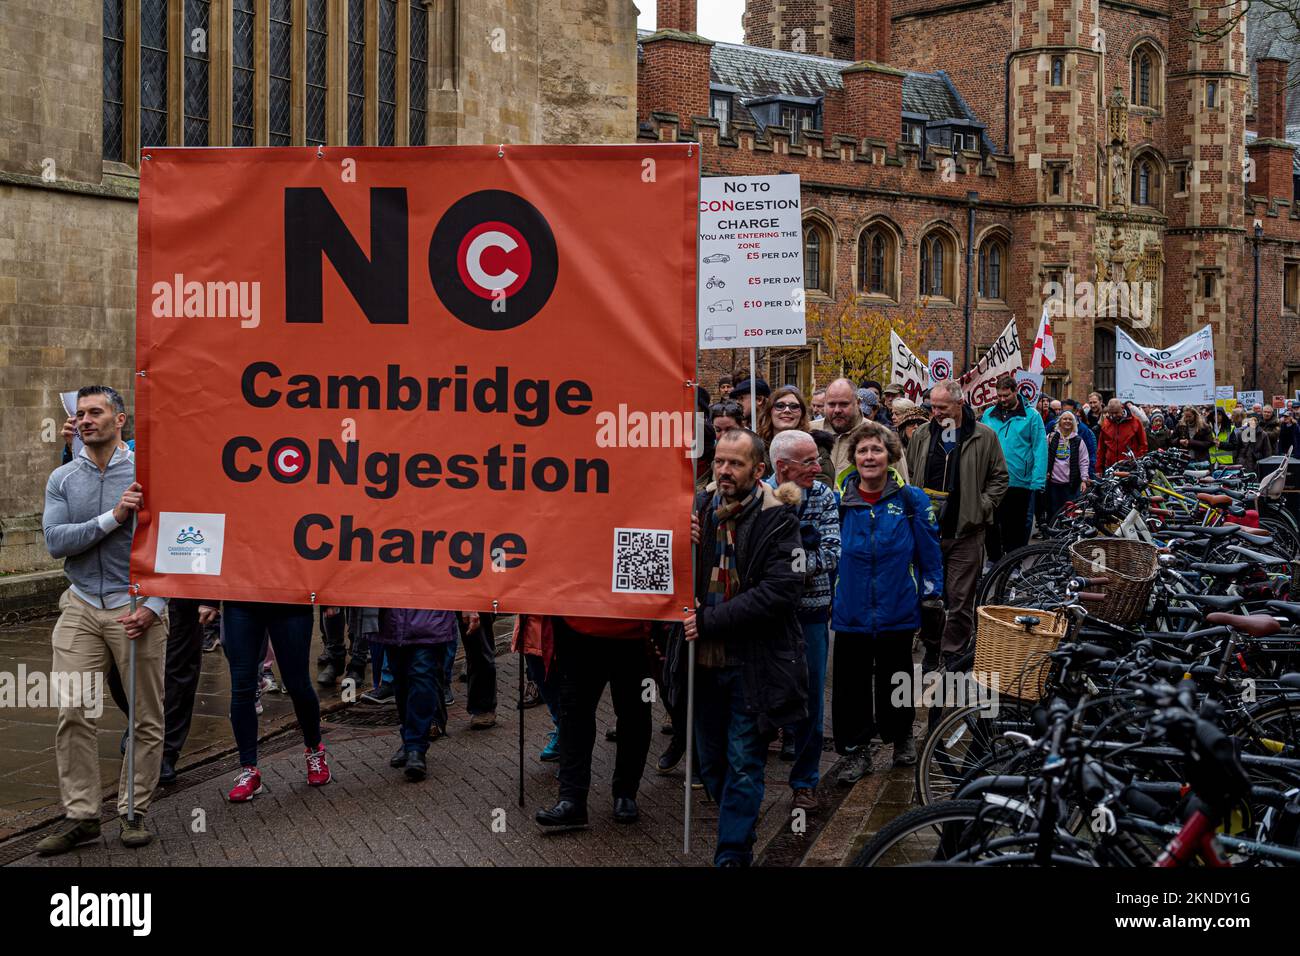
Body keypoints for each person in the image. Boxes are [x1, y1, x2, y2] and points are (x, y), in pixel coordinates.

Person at [36, 386, 168, 856]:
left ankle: (134, 811)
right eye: (82, 413)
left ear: (121, 420)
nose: (86, 419)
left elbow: (177, 543)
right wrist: (113, 517)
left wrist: (155, 605)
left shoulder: (147, 474)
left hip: (135, 606)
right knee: (73, 711)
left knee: (147, 716)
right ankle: (81, 816)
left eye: (97, 412)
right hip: (79, 606)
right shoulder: (63, 478)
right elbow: (55, 541)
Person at [685, 428, 807, 867]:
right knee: (712, 765)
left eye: (734, 463)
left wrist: (708, 620)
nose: (723, 470)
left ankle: (733, 853)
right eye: (718, 461)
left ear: (759, 470)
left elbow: (781, 592)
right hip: (703, 663)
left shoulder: (780, 519)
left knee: (742, 762)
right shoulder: (698, 509)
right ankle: (740, 819)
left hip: (752, 663)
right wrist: (682, 540)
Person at [832, 421, 943, 784]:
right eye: (862, 451)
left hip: (897, 606)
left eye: (876, 450)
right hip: (851, 609)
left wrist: (930, 597)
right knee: (851, 684)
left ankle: (901, 737)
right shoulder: (840, 504)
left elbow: (929, 555)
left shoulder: (912, 500)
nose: (869, 456)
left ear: (890, 456)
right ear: (854, 459)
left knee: (896, 676)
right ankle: (856, 750)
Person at [905, 379, 1007, 670]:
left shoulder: (983, 436)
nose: (935, 412)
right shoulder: (922, 435)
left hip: (966, 531)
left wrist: (981, 507)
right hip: (928, 533)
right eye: (932, 407)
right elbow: (911, 474)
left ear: (960, 403)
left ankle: (953, 654)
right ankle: (932, 647)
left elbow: (999, 478)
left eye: (942, 407)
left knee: (961, 599)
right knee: (929, 596)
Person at [767, 430, 840, 813]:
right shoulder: (760, 495)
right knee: (760, 693)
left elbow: (830, 554)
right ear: (783, 467)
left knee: (811, 698)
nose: (817, 466)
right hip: (766, 615)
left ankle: (805, 780)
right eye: (809, 461)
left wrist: (781, 569)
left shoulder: (824, 497)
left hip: (811, 613)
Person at [200, 599, 331, 801]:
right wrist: (209, 599)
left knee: (297, 683)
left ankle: (315, 749)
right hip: (241, 599)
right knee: (242, 687)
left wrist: (329, 596)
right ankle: (248, 770)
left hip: (291, 598)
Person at [534, 614, 655, 830]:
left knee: (634, 713)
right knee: (573, 715)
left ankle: (626, 792)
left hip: (632, 629)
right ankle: (571, 798)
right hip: (578, 624)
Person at [372, 607, 458, 780]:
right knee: (402, 682)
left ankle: (416, 747)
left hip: (430, 618)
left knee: (422, 679)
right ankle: (409, 739)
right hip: (393, 620)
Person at [981, 376, 1047, 561]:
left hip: (1019, 479)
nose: (1002, 399)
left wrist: (1038, 480)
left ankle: (1013, 562)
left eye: (1006, 395)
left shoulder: (1031, 416)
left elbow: (1040, 448)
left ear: (1015, 391)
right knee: (991, 522)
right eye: (999, 395)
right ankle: (993, 559)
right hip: (992, 479)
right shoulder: (988, 415)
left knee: (1015, 525)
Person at [1046, 411, 1091, 517]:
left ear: (1074, 423)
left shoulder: (1078, 440)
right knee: (1053, 511)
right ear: (1059, 421)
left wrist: (1084, 479)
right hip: (1053, 483)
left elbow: (1084, 461)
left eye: (1070, 419)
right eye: (1064, 419)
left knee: (1069, 511)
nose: (1067, 421)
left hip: (1071, 484)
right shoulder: (1050, 438)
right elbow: (1043, 456)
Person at [824, 378, 864, 486]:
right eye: (831, 404)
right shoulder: (809, 433)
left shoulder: (880, 436)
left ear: (858, 403)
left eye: (844, 404)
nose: (837, 410)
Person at [1096, 398, 1148, 471]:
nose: (1114, 415)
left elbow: (1143, 445)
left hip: (1130, 466)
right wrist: (1099, 469)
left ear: (1122, 408)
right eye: (1111, 413)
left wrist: (1136, 460)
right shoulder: (1106, 424)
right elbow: (1101, 449)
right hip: (1110, 467)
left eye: (1116, 412)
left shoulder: (1135, 422)